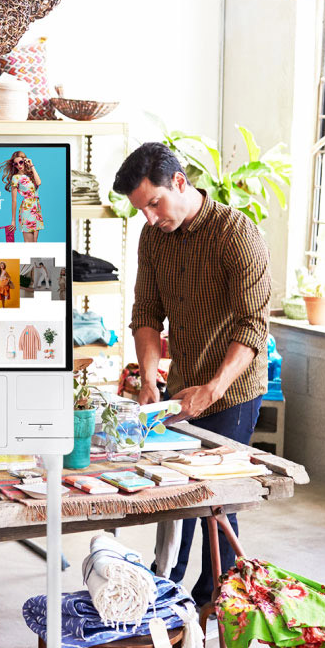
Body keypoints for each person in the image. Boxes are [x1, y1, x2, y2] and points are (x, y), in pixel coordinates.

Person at [113, 141, 270, 606]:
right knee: (176, 485)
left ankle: (217, 595)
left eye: (154, 203)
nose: (150, 217)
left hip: (233, 387)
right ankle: (171, 583)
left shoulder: (236, 235)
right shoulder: (154, 237)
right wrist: (148, 378)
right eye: (141, 209)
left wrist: (215, 387)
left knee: (215, 494)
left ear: (179, 183)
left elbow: (254, 324)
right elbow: (146, 312)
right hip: (181, 384)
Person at [0, 150, 44, 243]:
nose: (19, 165)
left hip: (36, 208)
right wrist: (13, 221)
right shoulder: (15, 178)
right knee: (29, 244)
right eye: (16, 164)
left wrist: (31, 165)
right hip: (27, 209)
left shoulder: (31, 174)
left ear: (25, 161)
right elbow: (14, 200)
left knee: (35, 243)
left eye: (21, 162)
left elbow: (39, 182)